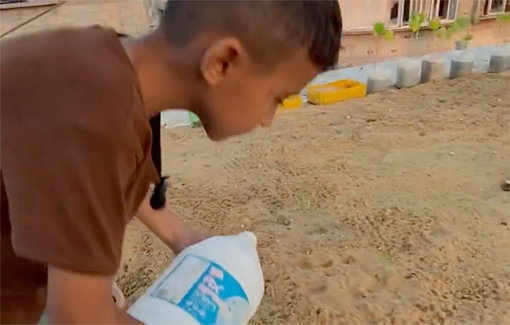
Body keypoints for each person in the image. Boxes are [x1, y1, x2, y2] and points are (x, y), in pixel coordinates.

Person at [0, 0, 343, 324]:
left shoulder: (111, 67)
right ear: (221, 63)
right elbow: (79, 317)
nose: (269, 119)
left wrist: (181, 235)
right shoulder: (98, 118)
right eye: (276, 98)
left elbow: (107, 172)